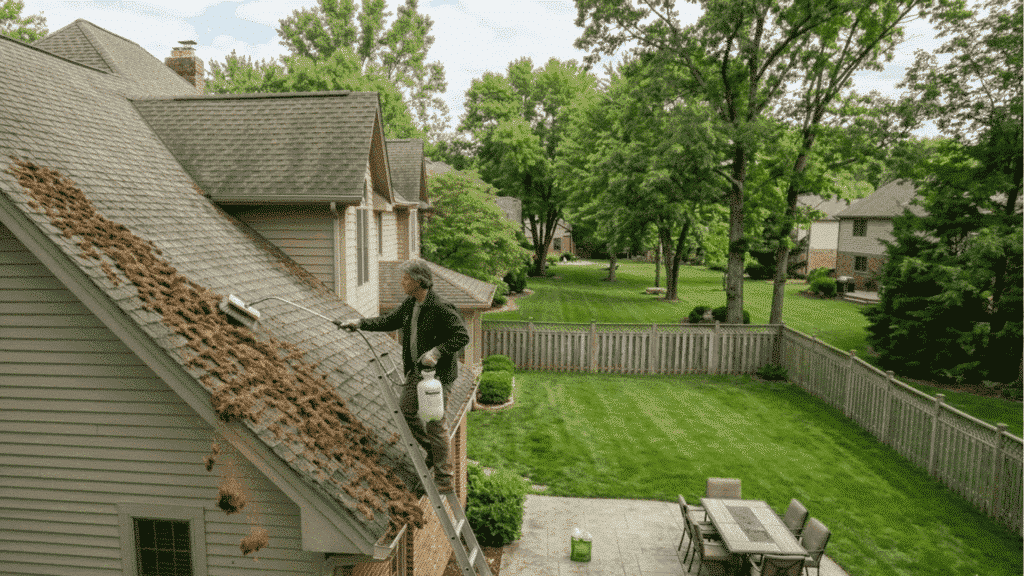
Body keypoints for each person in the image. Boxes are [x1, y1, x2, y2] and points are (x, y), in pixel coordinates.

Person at [334, 259, 469, 492]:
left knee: (435, 423)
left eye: (406, 279)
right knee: (405, 411)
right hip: (417, 371)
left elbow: (461, 336)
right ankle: (433, 451)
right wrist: (359, 323)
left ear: (419, 281)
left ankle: (444, 479)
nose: (402, 282)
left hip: (438, 376)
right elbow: (388, 321)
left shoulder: (440, 307)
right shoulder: (410, 305)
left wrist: (437, 352)